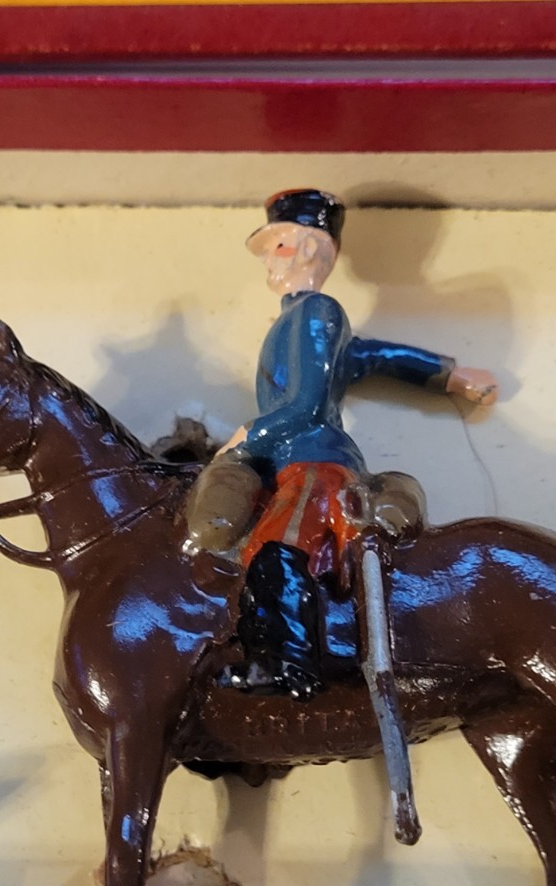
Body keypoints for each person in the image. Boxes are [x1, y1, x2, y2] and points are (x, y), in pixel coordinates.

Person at [192, 189, 497, 701]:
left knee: (280, 546)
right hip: (287, 460)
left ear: (311, 249)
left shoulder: (317, 311)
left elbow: (306, 405)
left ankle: (286, 664)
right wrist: (449, 375)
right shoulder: (301, 316)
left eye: (279, 246)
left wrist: (244, 439)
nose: (270, 259)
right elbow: (372, 356)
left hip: (313, 459)